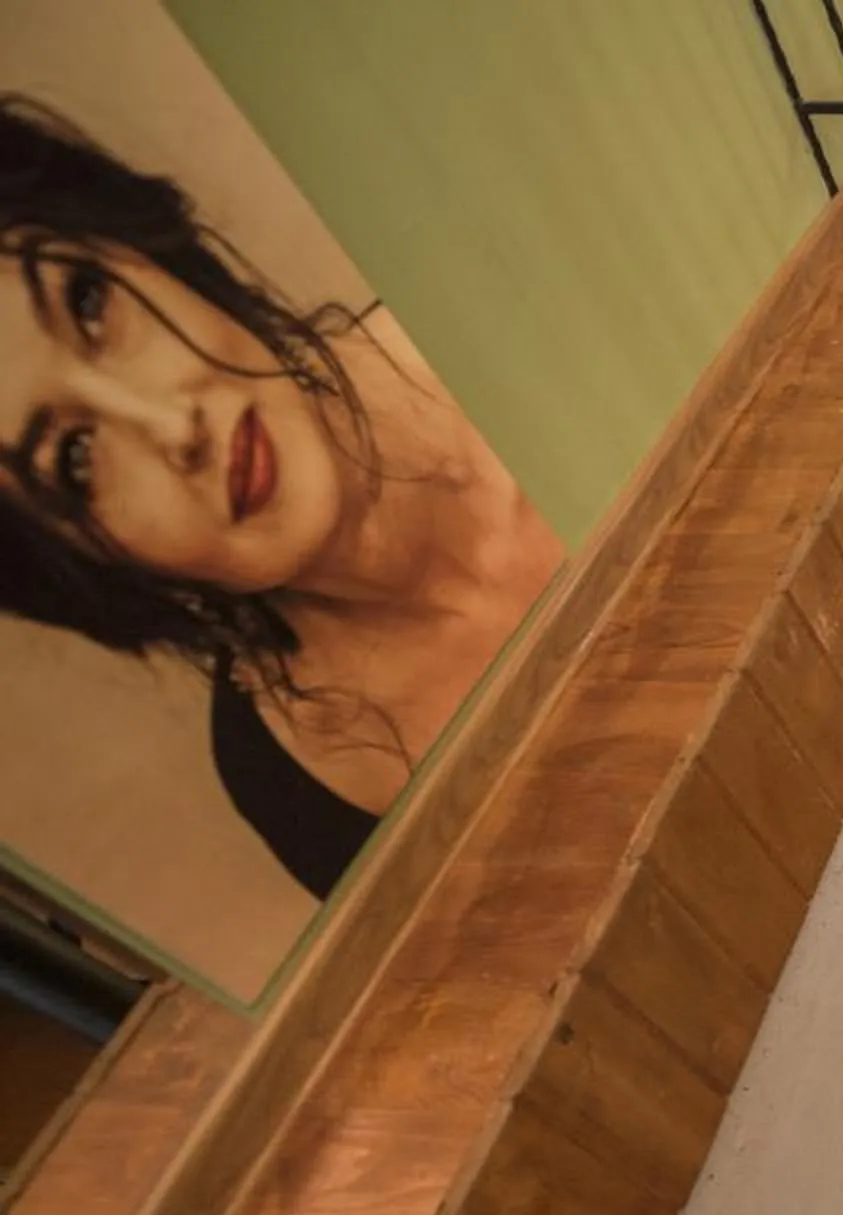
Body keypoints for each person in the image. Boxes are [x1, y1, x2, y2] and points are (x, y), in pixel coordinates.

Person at [0, 94, 558, 898]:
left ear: (141, 242)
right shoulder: (293, 776)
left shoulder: (521, 318)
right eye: (76, 459)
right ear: (72, 567)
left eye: (90, 301)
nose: (171, 425)